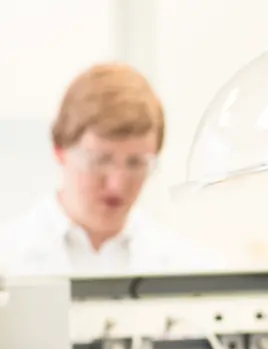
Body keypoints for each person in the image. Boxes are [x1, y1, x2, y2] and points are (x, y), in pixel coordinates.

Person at [0, 63, 209, 276]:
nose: (117, 184)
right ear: (59, 148)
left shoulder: (192, 266)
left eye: (136, 163)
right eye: (100, 160)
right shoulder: (7, 257)